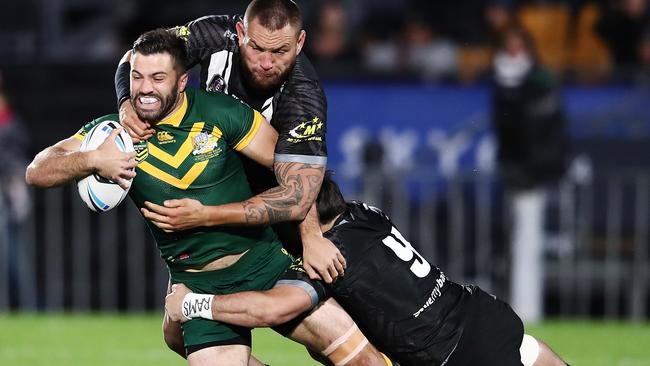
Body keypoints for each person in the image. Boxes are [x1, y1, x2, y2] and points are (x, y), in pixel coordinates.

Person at [26, 29, 387, 366]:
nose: (145, 89)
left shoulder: (219, 112)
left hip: (265, 264)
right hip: (197, 284)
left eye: (157, 78)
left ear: (182, 81)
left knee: (363, 360)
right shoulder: (114, 135)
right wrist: (92, 159)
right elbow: (38, 170)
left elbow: (295, 174)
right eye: (137, 77)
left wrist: (309, 238)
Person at [114, 2, 348, 355]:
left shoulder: (303, 97)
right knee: (175, 335)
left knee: (321, 331)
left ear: (300, 43)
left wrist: (312, 236)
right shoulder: (213, 34)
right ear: (240, 34)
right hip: (217, 184)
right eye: (256, 47)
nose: (266, 61)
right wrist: (125, 103)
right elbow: (140, 54)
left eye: (279, 51)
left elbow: (301, 189)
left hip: (275, 203)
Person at [166, 172, 570, 366]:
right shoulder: (363, 214)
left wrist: (193, 304)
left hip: (451, 356)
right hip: (481, 313)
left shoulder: (329, 257)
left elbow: (271, 310)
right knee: (528, 351)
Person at [492, 27, 568, 322]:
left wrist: (538, 168)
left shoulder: (538, 80)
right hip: (514, 171)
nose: (512, 52)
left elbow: (546, 132)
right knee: (515, 243)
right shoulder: (502, 79)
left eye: (517, 45)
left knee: (527, 241)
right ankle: (520, 308)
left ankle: (527, 309)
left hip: (532, 173)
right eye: (508, 46)